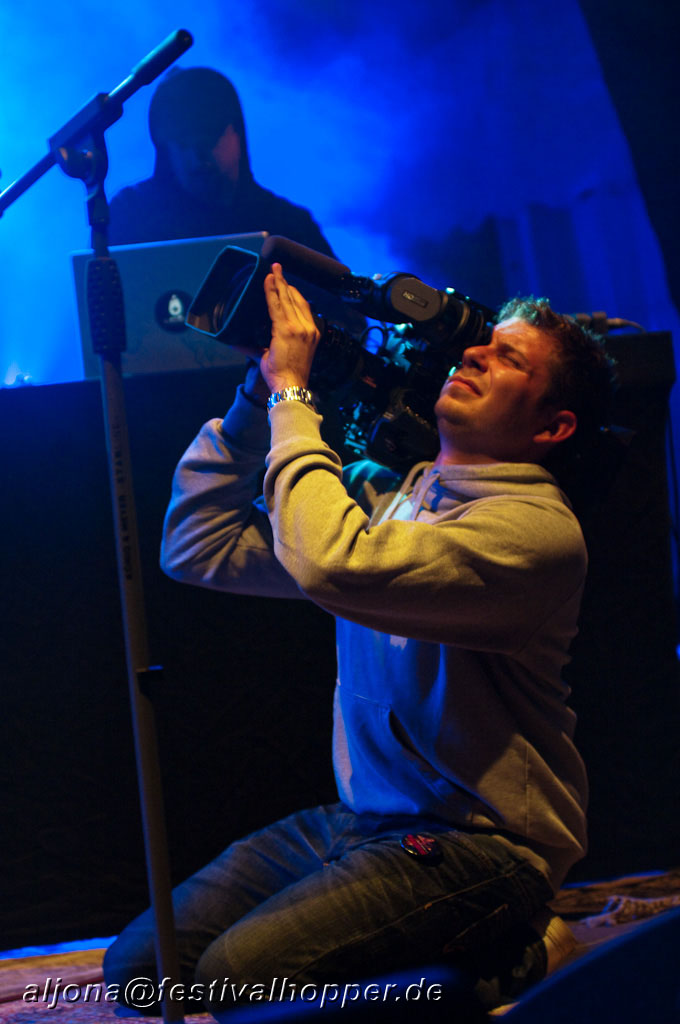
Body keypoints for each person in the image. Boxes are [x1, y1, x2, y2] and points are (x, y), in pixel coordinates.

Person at [103, 265, 616, 1016]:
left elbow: (329, 563)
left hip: (482, 846)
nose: (474, 356)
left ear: (551, 426)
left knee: (238, 977)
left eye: (509, 359)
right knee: (145, 968)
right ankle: (446, 959)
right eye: (482, 346)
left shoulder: (536, 534)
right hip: (363, 819)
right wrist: (258, 394)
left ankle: (520, 953)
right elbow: (197, 546)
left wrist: (293, 395)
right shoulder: (394, 494)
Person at [107, 66, 336, 256]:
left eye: (209, 138)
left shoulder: (289, 227)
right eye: (183, 143)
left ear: (237, 133)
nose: (197, 155)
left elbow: (344, 307)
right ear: (165, 148)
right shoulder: (130, 217)